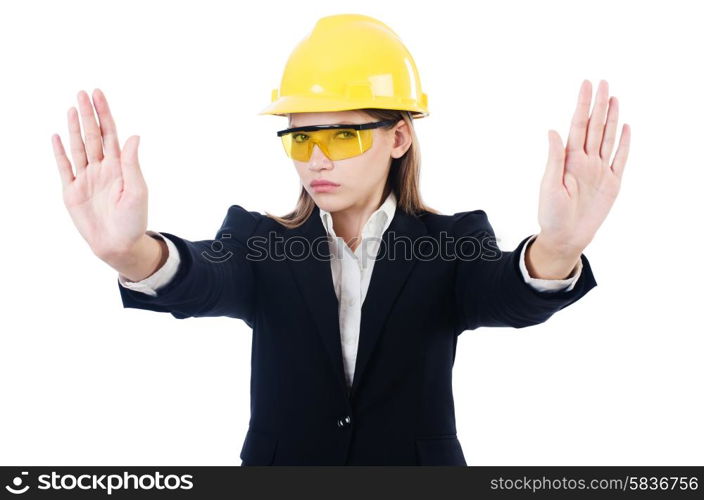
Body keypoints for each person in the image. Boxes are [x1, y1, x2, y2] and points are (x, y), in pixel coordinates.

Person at [52, 13, 630, 466]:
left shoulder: (453, 243)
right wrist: (130, 253)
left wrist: (558, 247)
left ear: (399, 137)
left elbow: (505, 293)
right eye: (301, 140)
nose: (318, 159)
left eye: (344, 135)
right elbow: (204, 276)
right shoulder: (258, 241)